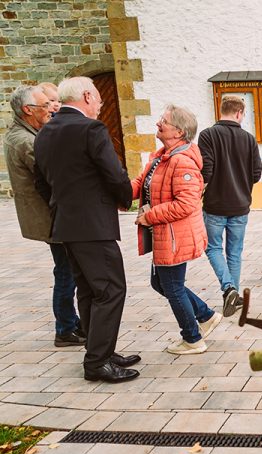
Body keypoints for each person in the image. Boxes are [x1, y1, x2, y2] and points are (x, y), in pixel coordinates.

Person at [33, 76, 139, 383]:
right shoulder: (90, 129)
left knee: (90, 291)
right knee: (110, 289)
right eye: (100, 101)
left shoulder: (45, 132)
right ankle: (97, 363)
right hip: (93, 224)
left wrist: (64, 206)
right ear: (88, 97)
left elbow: (41, 182)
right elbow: (114, 172)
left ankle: (101, 350)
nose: (101, 106)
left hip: (66, 224)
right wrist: (124, 199)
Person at [132, 105, 221, 355]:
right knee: (160, 282)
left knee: (171, 286)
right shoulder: (162, 155)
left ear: (179, 132)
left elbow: (186, 204)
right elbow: (142, 183)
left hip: (174, 236)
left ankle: (192, 339)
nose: (158, 123)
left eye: (164, 121)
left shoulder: (182, 162)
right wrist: (117, 190)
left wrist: (149, 217)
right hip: (165, 235)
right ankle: (206, 315)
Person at [5, 85, 85, 347]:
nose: (52, 108)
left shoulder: (26, 133)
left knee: (68, 270)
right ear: (28, 110)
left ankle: (72, 323)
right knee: (66, 271)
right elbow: (49, 178)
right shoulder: (26, 140)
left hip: (50, 215)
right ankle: (65, 328)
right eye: (45, 105)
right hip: (50, 217)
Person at [197, 94, 262, 317]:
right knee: (234, 252)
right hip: (241, 203)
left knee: (213, 248)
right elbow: (256, 173)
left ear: (222, 110)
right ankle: (232, 295)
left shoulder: (207, 135)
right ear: (239, 113)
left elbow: (207, 170)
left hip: (215, 203)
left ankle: (229, 290)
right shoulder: (249, 138)